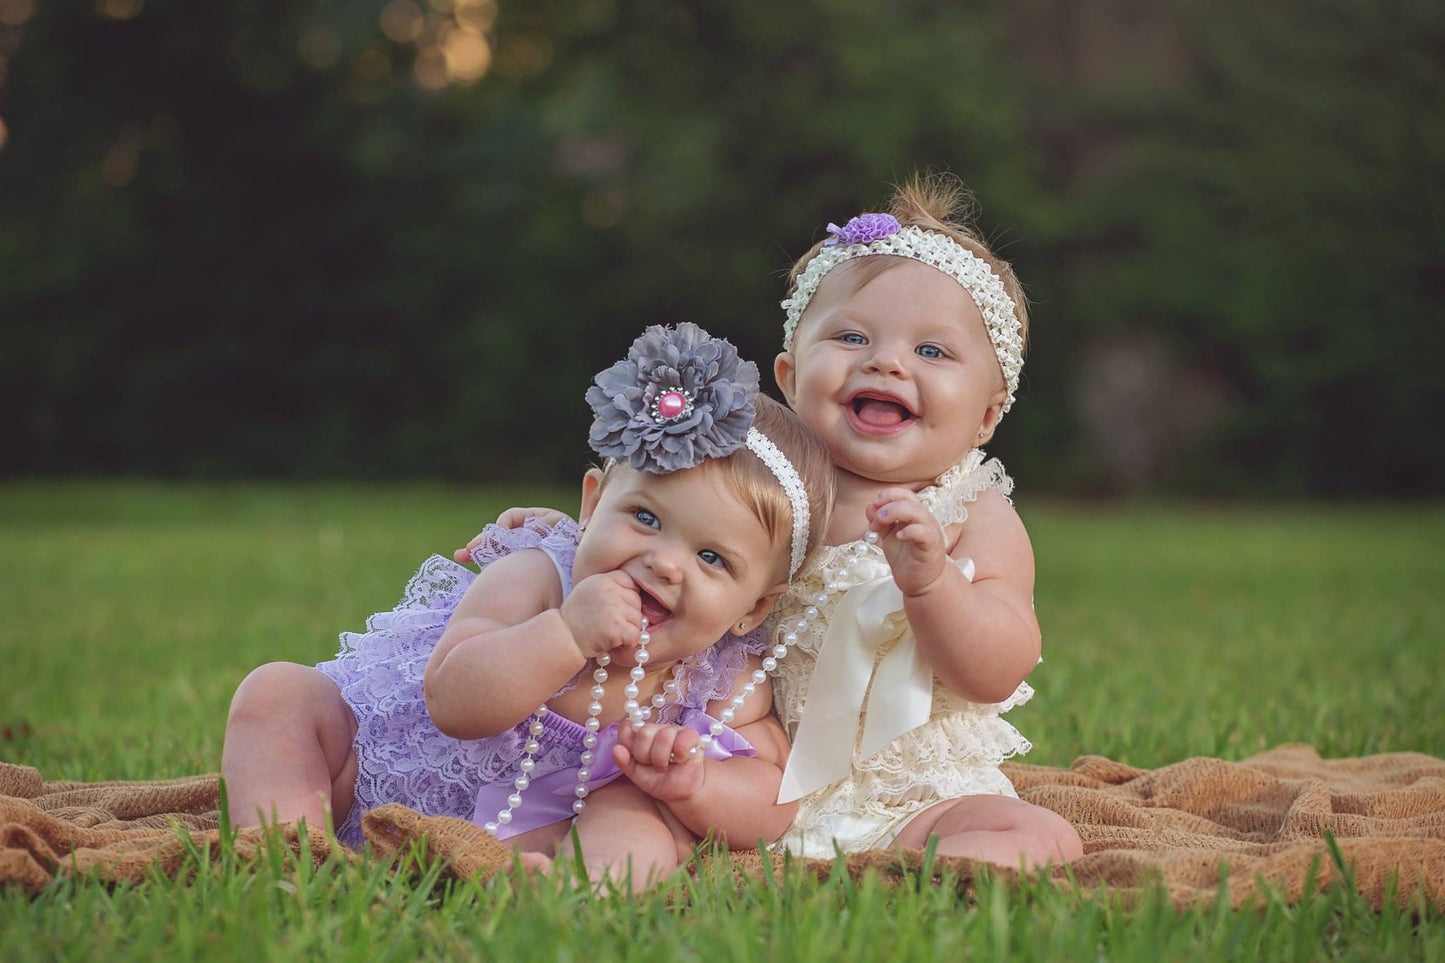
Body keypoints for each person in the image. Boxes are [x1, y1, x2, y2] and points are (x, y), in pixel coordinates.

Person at [466, 174, 1083, 869]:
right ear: (788, 375)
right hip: (736, 774)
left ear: (986, 416)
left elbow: (997, 669)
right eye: (851, 336)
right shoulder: (761, 485)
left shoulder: (973, 514)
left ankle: (905, 882)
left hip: (914, 791)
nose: (885, 360)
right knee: (632, 811)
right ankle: (600, 879)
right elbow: (657, 528)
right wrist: (559, 533)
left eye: (931, 351)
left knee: (1042, 836)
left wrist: (933, 582)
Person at [222, 323, 835, 888]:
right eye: (645, 517)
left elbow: (778, 802)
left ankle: (576, 894)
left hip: (537, 843)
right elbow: (454, 701)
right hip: (374, 785)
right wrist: (566, 635)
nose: (666, 563)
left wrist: (697, 786)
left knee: (636, 811)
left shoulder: (723, 681)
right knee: (279, 692)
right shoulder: (536, 580)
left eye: (711, 559)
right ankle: (289, 854)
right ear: (591, 505)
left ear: (753, 608)